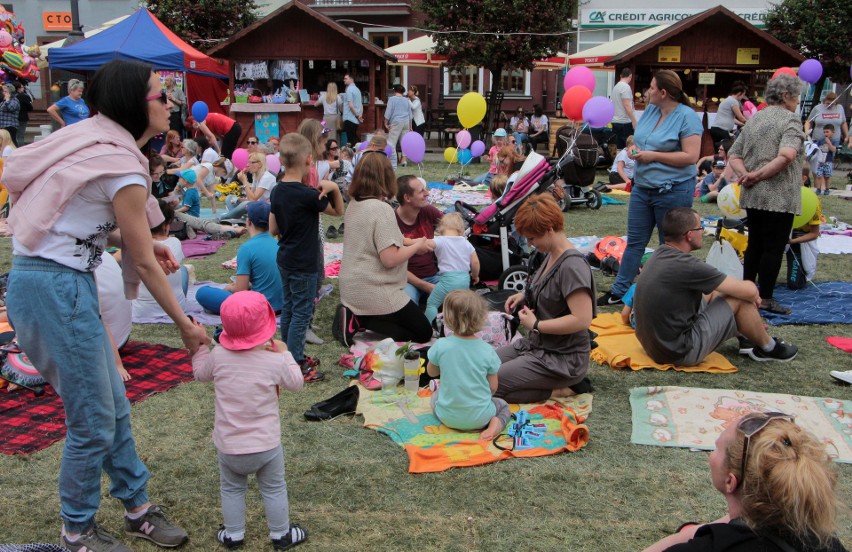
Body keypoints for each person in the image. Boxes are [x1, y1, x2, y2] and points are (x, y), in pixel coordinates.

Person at [4, 59, 206, 551]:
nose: (171, 103)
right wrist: (184, 323)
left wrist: (136, 241)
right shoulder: (119, 161)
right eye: (162, 95)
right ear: (134, 104)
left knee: (112, 406)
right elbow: (141, 256)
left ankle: (137, 507)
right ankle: (77, 531)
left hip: (47, 283)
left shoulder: (95, 140)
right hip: (57, 289)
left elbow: (81, 222)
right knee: (93, 421)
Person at [192, 291, 308, 552]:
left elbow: (200, 374)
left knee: (232, 490)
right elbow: (297, 383)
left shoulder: (218, 355)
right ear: (266, 328)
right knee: (274, 488)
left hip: (229, 447)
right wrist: (286, 353)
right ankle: (281, 535)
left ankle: (233, 535)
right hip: (266, 445)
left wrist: (200, 347)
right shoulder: (273, 359)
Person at [642, 412, 847, 552]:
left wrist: (694, 534)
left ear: (731, 482)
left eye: (717, 449)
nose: (710, 456)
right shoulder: (824, 541)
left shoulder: (715, 546)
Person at [634, 207, 797, 366]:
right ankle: (769, 348)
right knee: (738, 299)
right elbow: (749, 291)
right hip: (678, 352)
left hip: (653, 346)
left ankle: (746, 333)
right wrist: (752, 295)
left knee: (716, 290)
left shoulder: (659, 254)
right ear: (689, 235)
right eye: (700, 227)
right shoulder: (689, 266)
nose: (703, 231)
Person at [598, 70, 702, 306]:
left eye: (652, 88)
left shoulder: (687, 117)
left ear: (663, 92)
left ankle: (670, 292)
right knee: (635, 241)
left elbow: (691, 156)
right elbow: (639, 140)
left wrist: (651, 156)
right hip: (643, 188)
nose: (647, 92)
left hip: (673, 189)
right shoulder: (651, 112)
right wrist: (635, 152)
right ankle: (619, 291)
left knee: (672, 244)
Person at [495, 195, 596, 403]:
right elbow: (551, 288)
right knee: (481, 368)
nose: (531, 244)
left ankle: (561, 389)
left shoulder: (572, 266)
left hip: (561, 358)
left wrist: (537, 324)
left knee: (491, 385)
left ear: (549, 229)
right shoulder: (551, 254)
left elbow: (582, 319)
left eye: (532, 238)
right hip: (536, 345)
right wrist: (524, 295)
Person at [333, 153, 434, 347]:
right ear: (386, 177)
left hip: (351, 286)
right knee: (423, 332)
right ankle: (360, 320)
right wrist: (417, 247)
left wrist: (414, 243)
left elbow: (384, 239)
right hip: (375, 288)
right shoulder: (381, 209)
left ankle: (357, 316)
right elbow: (389, 259)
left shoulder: (355, 204)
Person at [728, 73, 804, 316]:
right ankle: (767, 298)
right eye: (796, 96)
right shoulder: (791, 120)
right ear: (786, 96)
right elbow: (788, 155)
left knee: (754, 246)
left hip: (753, 194)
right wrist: (758, 175)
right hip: (779, 195)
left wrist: (746, 175)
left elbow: (734, 155)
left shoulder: (754, 119)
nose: (797, 100)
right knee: (773, 248)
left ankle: (748, 294)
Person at [269, 133, 344, 381]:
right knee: (302, 312)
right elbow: (337, 211)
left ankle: (287, 355)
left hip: (285, 258)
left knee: (290, 308)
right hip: (305, 262)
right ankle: (296, 362)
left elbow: (273, 229)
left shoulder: (277, 191)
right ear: (309, 160)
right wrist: (332, 187)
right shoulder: (308, 195)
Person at [426, 290, 511, 441]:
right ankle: (494, 426)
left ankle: (454, 415)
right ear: (481, 318)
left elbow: (431, 373)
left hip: (448, 417)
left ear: (448, 319)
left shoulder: (441, 345)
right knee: (503, 406)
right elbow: (493, 387)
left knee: (435, 397)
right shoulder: (488, 350)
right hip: (480, 418)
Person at [196, 202, 283, 315]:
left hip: (258, 309)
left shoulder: (246, 249)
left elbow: (240, 291)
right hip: (281, 306)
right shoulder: (278, 244)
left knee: (202, 293)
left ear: (248, 222)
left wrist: (230, 288)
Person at [132, 200, 188, 320]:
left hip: (141, 310)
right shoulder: (174, 243)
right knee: (183, 270)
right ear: (166, 225)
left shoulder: (132, 246)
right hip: (176, 309)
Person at [395, 175, 443, 304]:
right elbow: (393, 267)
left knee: (459, 300)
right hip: (406, 280)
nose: (427, 193)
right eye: (422, 191)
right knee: (405, 306)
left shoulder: (428, 211)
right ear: (407, 198)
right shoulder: (391, 221)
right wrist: (425, 286)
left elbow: (453, 227)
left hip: (434, 276)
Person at [423, 213, 480, 322]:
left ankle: (429, 327)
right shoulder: (466, 242)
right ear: (461, 229)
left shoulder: (440, 240)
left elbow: (427, 244)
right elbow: (475, 262)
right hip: (464, 280)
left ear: (441, 228)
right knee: (461, 306)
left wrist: (411, 242)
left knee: (432, 303)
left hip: (448, 281)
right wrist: (475, 275)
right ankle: (462, 327)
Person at [218, 152, 276, 220]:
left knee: (246, 204)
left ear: (259, 164)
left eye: (251, 162)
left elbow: (253, 199)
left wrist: (244, 181)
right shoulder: (256, 176)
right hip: (257, 204)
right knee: (229, 198)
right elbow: (250, 197)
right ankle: (236, 219)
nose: (247, 165)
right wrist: (238, 200)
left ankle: (225, 217)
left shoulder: (267, 177)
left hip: (266, 208)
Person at [805, 92, 848, 157]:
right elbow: (808, 121)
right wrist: (806, 131)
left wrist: (847, 136)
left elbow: (843, 122)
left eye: (832, 104)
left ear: (835, 102)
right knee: (817, 159)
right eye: (827, 103)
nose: (829, 106)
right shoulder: (817, 108)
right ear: (824, 101)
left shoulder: (840, 108)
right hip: (818, 139)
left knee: (830, 160)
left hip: (834, 140)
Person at [384, 84, 411, 168]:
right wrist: (410, 126)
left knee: (391, 142)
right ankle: (404, 161)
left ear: (394, 91)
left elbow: (388, 111)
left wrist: (385, 122)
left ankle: (392, 161)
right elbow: (410, 113)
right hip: (406, 121)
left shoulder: (391, 99)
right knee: (404, 142)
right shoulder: (407, 100)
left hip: (396, 122)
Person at [611, 68, 638, 149]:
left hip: (616, 121)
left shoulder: (616, 87)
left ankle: (620, 161)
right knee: (631, 146)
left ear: (620, 76)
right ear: (630, 76)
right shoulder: (625, 87)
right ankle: (632, 161)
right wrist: (634, 121)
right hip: (625, 122)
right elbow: (627, 105)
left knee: (619, 147)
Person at [814, 124, 837, 196]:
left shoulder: (834, 141)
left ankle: (827, 189)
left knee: (827, 176)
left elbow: (833, 149)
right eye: (824, 132)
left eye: (827, 132)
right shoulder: (821, 141)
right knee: (818, 175)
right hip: (820, 161)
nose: (825, 134)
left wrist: (829, 143)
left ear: (832, 132)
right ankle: (818, 189)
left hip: (828, 161)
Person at [341, 73, 363, 147]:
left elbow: (350, 105)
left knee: (350, 140)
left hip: (349, 118)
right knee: (353, 138)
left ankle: (351, 155)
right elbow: (360, 105)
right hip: (355, 119)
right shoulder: (357, 90)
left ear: (351, 79)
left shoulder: (349, 90)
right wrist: (359, 116)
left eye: (346, 78)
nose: (344, 80)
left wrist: (357, 115)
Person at [13, 81, 31, 147]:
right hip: (22, 118)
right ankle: (20, 150)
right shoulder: (23, 96)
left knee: (14, 136)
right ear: (18, 89)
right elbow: (30, 108)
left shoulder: (9, 96)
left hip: (12, 119)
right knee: (20, 136)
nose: (23, 89)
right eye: (22, 87)